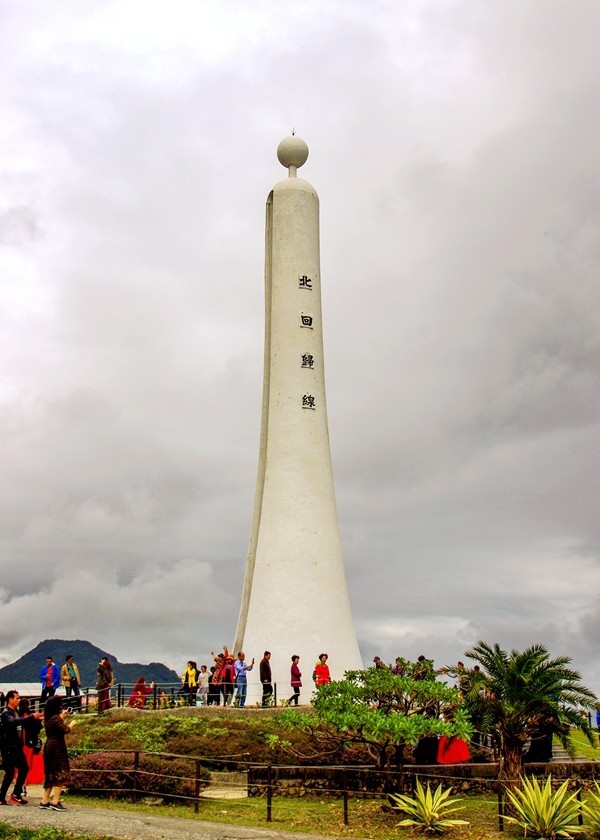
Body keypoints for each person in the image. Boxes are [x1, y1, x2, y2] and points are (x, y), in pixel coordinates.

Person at [0, 690, 43, 805]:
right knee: (10, 772)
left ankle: (15, 794)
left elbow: (22, 724)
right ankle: (4, 796)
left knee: (23, 768)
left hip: (16, 746)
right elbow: (13, 722)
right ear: (10, 699)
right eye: (16, 698)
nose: (18, 701)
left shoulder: (16, 712)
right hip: (9, 747)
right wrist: (30, 717)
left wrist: (36, 720)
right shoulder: (6, 713)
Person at [39, 696, 77, 811]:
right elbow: (65, 729)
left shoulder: (48, 717)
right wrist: (72, 724)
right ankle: (55, 801)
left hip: (49, 746)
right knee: (60, 771)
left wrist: (62, 717)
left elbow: (55, 724)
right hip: (57, 747)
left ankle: (44, 800)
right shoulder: (56, 718)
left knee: (50, 773)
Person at [18, 698, 44, 790]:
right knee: (26, 765)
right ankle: (23, 785)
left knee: (19, 767)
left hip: (20, 743)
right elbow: (38, 727)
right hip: (28, 743)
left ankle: (20, 786)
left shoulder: (18, 716)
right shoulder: (30, 716)